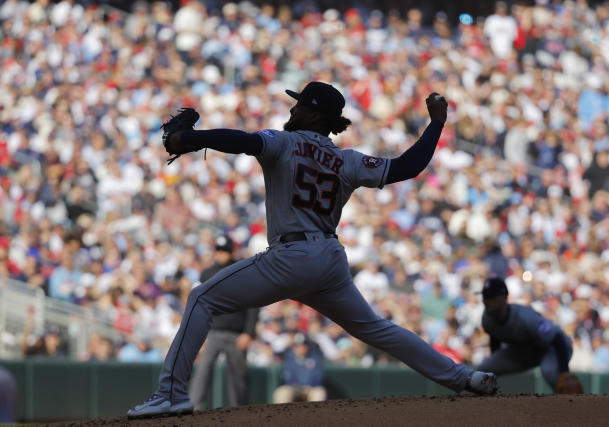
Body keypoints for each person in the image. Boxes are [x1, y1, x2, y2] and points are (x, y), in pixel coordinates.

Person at [127, 81, 497, 418]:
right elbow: (408, 166)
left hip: (291, 256)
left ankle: (171, 394)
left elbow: (243, 141)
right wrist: (436, 125)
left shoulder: (284, 142)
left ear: (316, 114)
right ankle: (467, 377)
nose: (292, 110)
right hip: (330, 260)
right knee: (377, 329)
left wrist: (191, 139)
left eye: (300, 105)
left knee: (201, 299)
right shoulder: (348, 160)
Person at [189, 235, 259, 410]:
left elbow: (254, 304)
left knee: (239, 379)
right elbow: (199, 305)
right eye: (218, 250)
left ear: (232, 251)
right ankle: (194, 411)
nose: (221, 254)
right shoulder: (206, 274)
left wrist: (248, 332)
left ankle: (240, 413)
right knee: (202, 373)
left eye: (225, 250)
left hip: (236, 333)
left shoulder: (241, 271)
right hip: (212, 332)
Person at [477, 277, 578, 392]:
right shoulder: (487, 319)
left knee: (549, 372)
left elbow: (557, 338)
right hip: (522, 352)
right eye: (485, 296)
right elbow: (495, 338)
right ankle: (484, 406)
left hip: (550, 349)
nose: (486, 301)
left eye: (491, 297)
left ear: (504, 297)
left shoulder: (525, 317)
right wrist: (494, 366)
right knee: (484, 371)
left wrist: (564, 371)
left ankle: (572, 402)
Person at [273, 333, 326, 403]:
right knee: (282, 392)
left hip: (311, 388)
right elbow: (287, 378)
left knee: (319, 393)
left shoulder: (315, 358)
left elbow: (319, 377)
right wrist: (297, 386)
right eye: (296, 346)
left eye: (302, 346)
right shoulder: (290, 359)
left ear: (307, 347)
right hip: (295, 388)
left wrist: (310, 386)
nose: (299, 348)